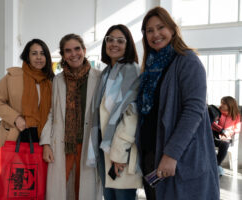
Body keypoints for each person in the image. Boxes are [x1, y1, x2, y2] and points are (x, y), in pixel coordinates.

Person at [136, 7, 219, 200]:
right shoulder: (150, 67)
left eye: (160, 27)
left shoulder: (187, 61)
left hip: (179, 158)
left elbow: (194, 111)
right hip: (152, 156)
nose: (155, 34)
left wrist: (171, 154)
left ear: (172, 29)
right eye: (149, 30)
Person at [40, 33, 102, 200]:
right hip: (62, 143)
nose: (73, 54)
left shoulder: (99, 77)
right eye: (68, 51)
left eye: (77, 49)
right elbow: (52, 113)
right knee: (60, 189)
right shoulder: (58, 80)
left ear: (84, 50)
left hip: (88, 142)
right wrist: (46, 143)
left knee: (83, 190)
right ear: (63, 56)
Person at [89, 24, 142, 200]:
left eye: (120, 40)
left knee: (122, 196)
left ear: (128, 45)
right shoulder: (106, 72)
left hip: (121, 151)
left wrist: (118, 154)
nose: (114, 44)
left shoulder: (131, 69)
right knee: (110, 197)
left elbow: (132, 114)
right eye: (110, 39)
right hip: (105, 148)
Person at [0, 39, 54, 163]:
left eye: (42, 53)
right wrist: (16, 118)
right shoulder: (12, 77)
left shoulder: (51, 82)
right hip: (16, 134)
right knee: (14, 177)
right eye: (34, 53)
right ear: (27, 56)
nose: (39, 57)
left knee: (37, 178)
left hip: (41, 138)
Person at [212, 96, 241, 176]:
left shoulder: (236, 116)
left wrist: (229, 132)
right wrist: (221, 130)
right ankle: (214, 165)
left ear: (230, 105)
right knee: (207, 140)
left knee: (225, 144)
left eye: (224, 103)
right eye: (221, 103)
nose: (221, 105)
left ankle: (216, 165)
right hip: (215, 136)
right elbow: (212, 124)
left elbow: (237, 129)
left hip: (226, 138)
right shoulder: (217, 112)